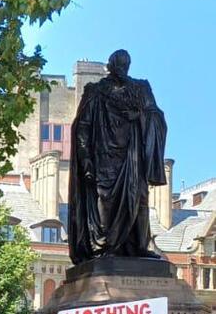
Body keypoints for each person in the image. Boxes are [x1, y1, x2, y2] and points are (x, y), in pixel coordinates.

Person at [67, 48, 168, 262]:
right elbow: (83, 127)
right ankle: (106, 246)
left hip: (133, 157)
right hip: (105, 157)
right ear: (110, 66)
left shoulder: (141, 89)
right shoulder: (96, 91)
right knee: (106, 200)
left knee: (140, 199)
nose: (122, 69)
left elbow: (156, 116)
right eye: (119, 65)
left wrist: (139, 115)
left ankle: (140, 246)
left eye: (125, 65)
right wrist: (86, 159)